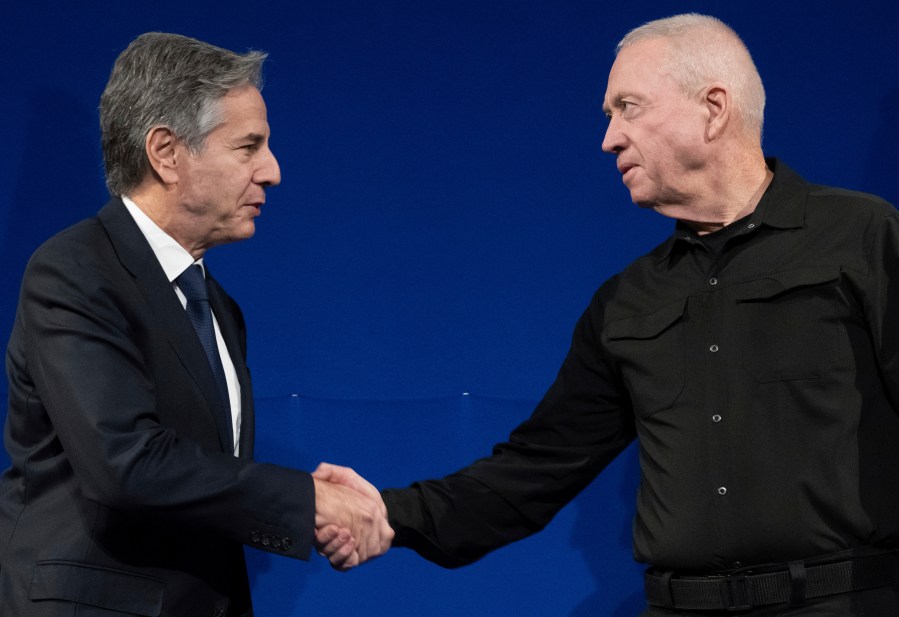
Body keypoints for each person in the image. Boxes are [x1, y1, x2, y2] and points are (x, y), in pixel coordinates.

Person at [316, 13, 899, 616]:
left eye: (629, 107)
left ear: (714, 108)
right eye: (609, 116)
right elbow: (537, 468)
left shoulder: (859, 237)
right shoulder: (629, 300)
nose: (609, 138)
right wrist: (387, 513)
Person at [0, 32, 390, 616]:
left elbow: (200, 481)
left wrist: (306, 511)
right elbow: (126, 462)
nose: (273, 171)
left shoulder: (216, 305)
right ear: (166, 153)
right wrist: (304, 500)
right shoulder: (74, 270)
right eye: (248, 146)